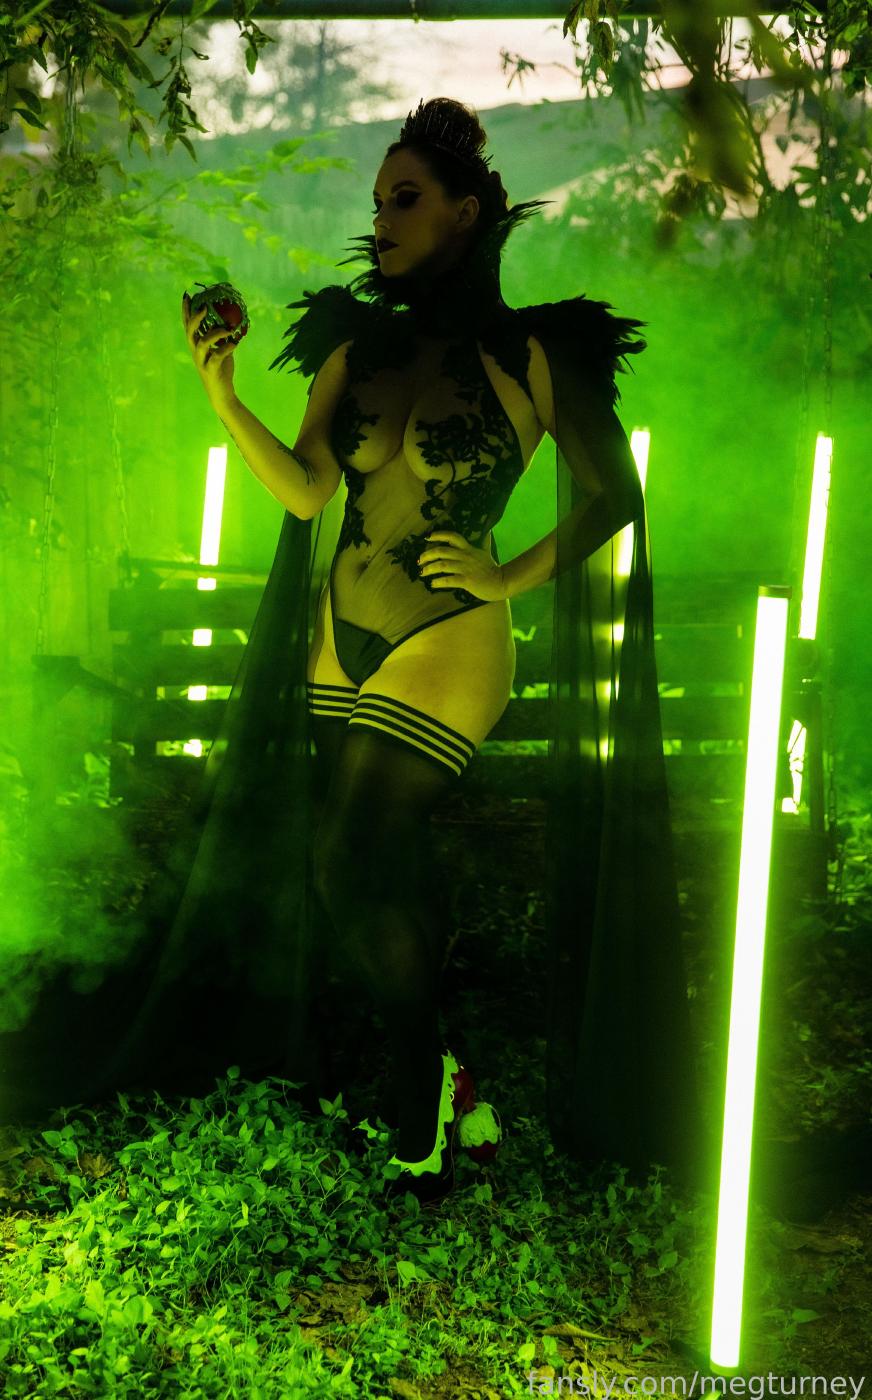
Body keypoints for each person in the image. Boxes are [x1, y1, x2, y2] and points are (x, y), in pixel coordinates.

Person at [1, 98, 700, 1204]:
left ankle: (420, 1103)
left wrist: (507, 576)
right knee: (377, 862)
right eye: (376, 202)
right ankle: (448, 1074)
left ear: (465, 212)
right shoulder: (355, 346)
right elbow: (308, 490)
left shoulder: (533, 351)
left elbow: (614, 494)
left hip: (446, 637)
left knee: (349, 852)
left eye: (404, 199)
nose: (381, 221)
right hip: (341, 635)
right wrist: (223, 396)